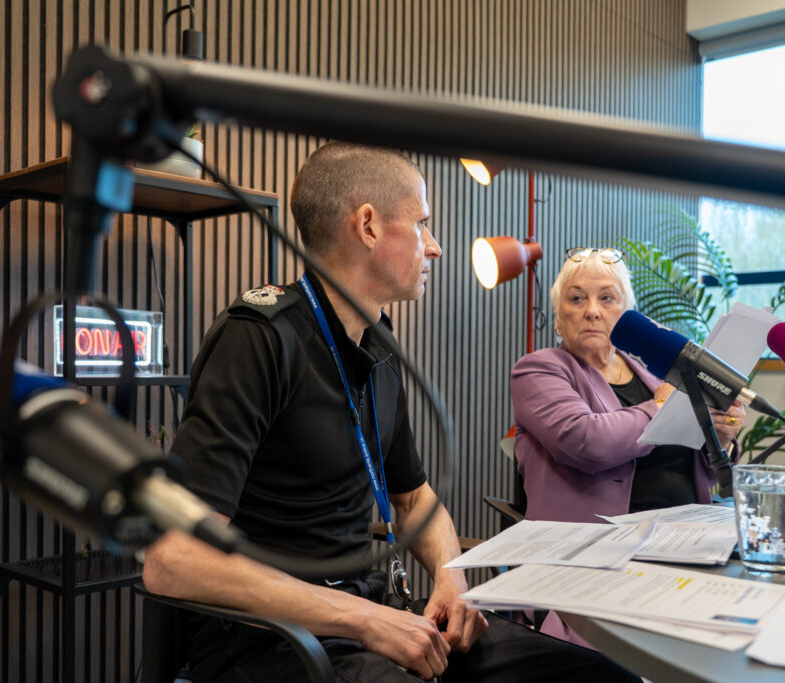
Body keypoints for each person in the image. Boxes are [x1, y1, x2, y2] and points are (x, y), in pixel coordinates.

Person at [142, 143, 641, 682]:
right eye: (422, 225)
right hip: (269, 641)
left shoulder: (378, 340)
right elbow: (173, 561)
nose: (435, 247)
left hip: (364, 622)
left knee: (599, 674)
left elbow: (412, 496)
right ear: (369, 226)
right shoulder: (258, 338)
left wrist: (453, 579)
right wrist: (364, 620)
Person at [509, 246, 746, 645]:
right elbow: (588, 441)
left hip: (684, 555)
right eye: (576, 298)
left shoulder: (657, 376)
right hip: (591, 566)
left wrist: (719, 438)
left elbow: (698, 463)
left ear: (627, 314)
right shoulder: (539, 369)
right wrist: (662, 408)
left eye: (607, 297)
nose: (592, 311)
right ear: (558, 317)